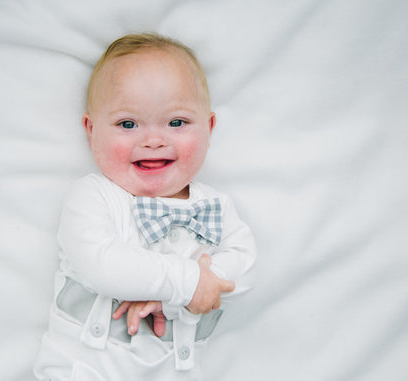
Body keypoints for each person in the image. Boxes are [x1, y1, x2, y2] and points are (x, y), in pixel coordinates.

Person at [34, 33, 256, 381]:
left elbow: (244, 265)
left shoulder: (214, 205)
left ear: (209, 128)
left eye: (177, 122)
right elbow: (101, 264)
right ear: (91, 131)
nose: (153, 140)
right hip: (87, 368)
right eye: (128, 124)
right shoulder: (92, 196)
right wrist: (188, 282)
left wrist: (197, 287)